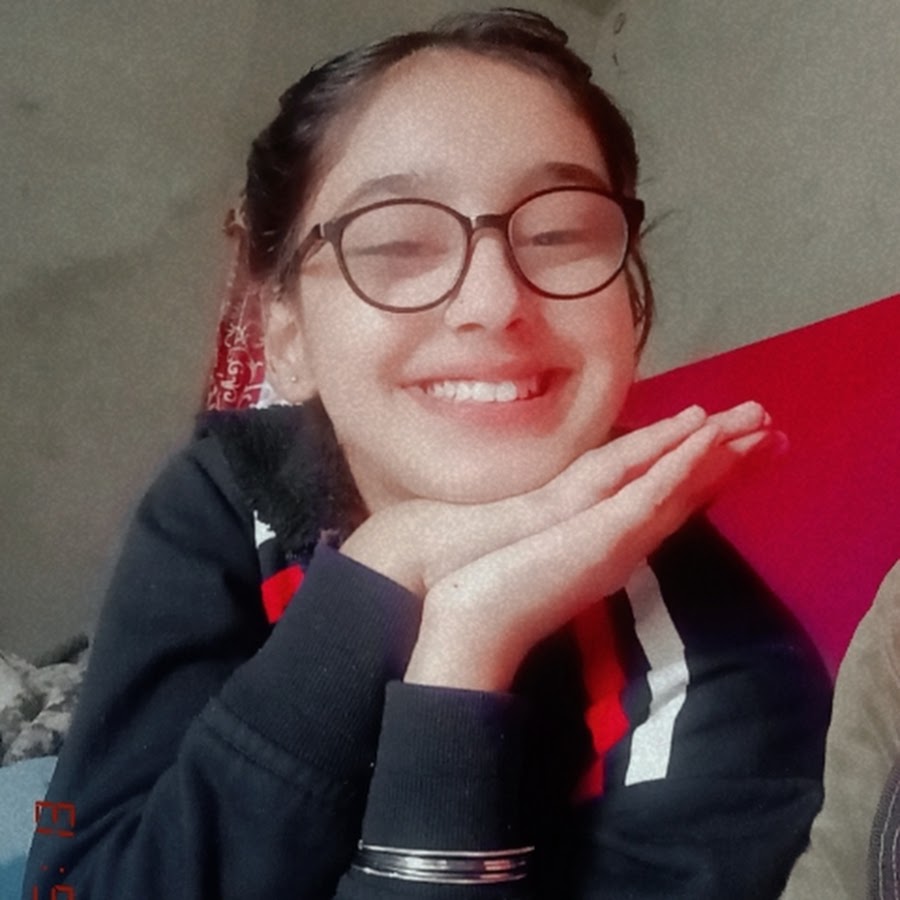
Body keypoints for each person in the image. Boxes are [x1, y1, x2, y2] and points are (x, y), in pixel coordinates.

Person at [24, 9, 831, 898]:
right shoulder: (229, 491)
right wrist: (383, 571)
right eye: (397, 243)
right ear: (285, 333)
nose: (493, 301)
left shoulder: (726, 683)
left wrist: (463, 655)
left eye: (559, 234)